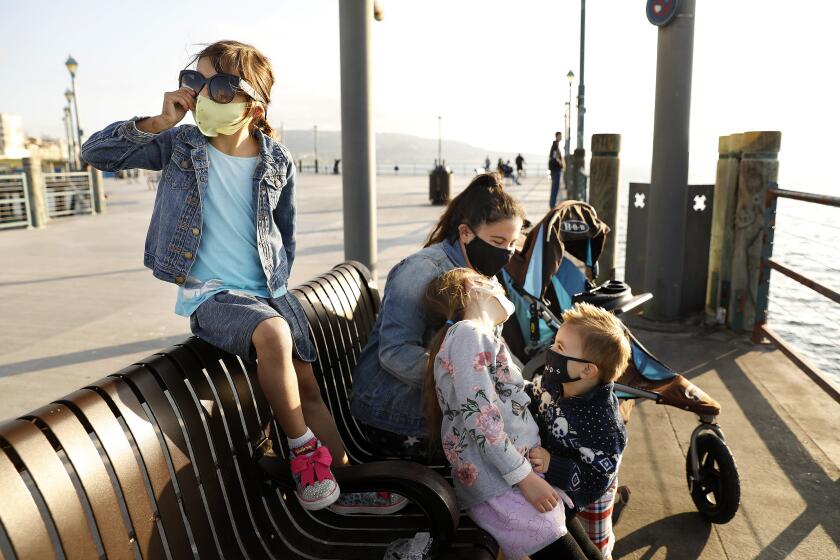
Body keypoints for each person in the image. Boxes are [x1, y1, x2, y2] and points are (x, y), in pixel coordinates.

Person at [80, 40, 402, 515]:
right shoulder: (178, 145)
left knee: (308, 387)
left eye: (221, 85)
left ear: (254, 104)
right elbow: (96, 153)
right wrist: (158, 122)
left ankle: (346, 481)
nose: (203, 95)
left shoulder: (276, 160)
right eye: (196, 82)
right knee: (271, 334)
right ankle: (303, 453)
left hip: (269, 293)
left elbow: (282, 232)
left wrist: (276, 284)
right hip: (212, 296)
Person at [423, 268, 604, 560]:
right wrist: (525, 480)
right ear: (472, 286)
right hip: (505, 486)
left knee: (590, 554)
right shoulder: (469, 334)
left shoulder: (478, 336)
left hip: (515, 477)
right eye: (494, 283)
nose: (502, 288)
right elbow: (481, 418)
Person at [350, 172, 525, 461]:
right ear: (466, 233)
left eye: (512, 243)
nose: (505, 253)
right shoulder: (422, 271)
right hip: (392, 410)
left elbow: (490, 352)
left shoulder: (484, 275)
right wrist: (468, 379)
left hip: (445, 402)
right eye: (497, 241)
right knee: (517, 441)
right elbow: (394, 353)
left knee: (535, 421)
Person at [526, 303, 632, 559]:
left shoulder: (604, 427)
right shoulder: (557, 380)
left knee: (596, 542)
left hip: (594, 489)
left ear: (587, 370)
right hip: (555, 484)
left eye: (560, 347)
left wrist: (555, 465)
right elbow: (536, 392)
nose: (552, 350)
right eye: (555, 342)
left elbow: (597, 476)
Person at [549, 131, 565, 207]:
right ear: (557, 136)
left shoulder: (555, 145)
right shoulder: (555, 146)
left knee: (555, 187)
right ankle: (552, 205)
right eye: (560, 136)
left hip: (554, 169)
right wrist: (561, 164)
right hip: (555, 170)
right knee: (555, 187)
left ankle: (552, 204)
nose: (561, 137)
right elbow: (554, 157)